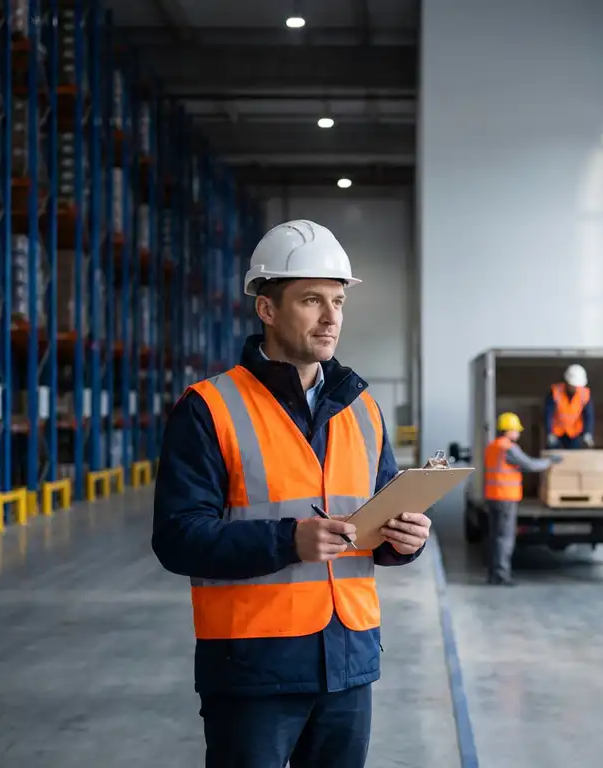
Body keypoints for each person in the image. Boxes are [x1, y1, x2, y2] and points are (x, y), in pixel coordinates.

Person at [151, 219, 432, 768]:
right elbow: (178, 538)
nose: (331, 318)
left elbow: (380, 519)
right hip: (251, 667)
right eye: (311, 300)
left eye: (338, 301)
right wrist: (288, 541)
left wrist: (405, 541)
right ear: (267, 309)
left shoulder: (362, 408)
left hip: (348, 663)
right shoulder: (209, 408)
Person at [483, 412, 562, 586]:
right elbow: (530, 465)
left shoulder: (492, 446)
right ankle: (501, 576)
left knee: (495, 537)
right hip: (505, 498)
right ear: (509, 430)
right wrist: (550, 462)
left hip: (493, 497)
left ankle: (493, 574)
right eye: (516, 430)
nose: (518, 433)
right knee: (505, 538)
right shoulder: (508, 448)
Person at [544, 363, 595, 449]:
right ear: (567, 382)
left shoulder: (584, 394)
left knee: (574, 455)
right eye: (573, 385)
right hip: (556, 433)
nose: (575, 388)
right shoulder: (555, 392)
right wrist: (549, 432)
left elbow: (589, 416)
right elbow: (547, 414)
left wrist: (588, 432)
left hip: (575, 433)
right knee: (554, 454)